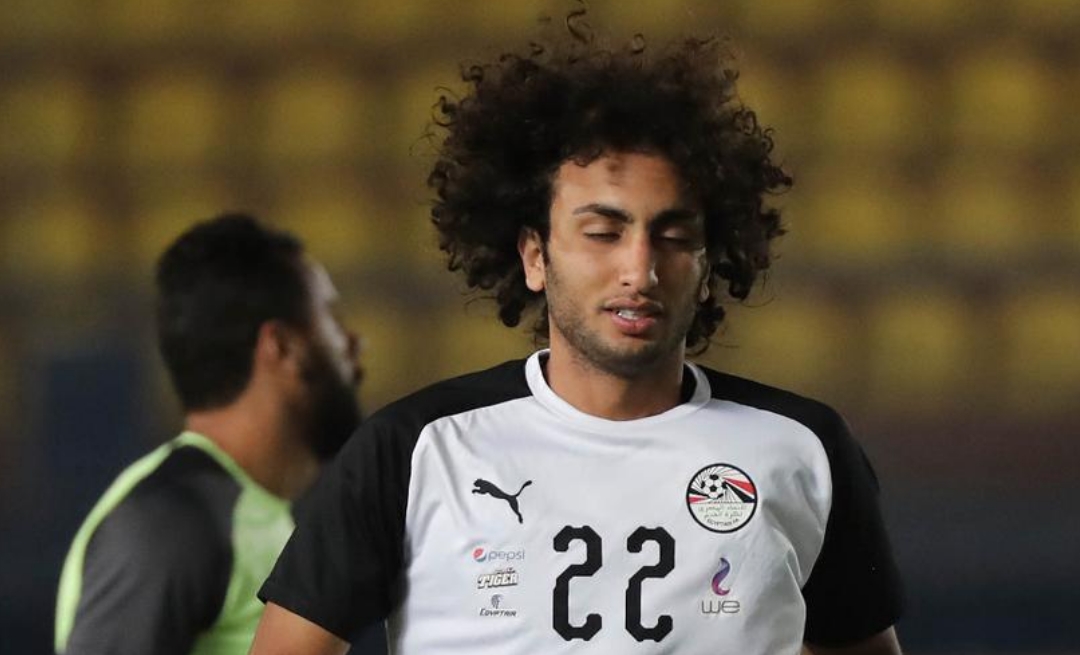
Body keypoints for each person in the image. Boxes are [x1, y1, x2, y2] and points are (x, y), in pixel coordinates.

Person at [251, 13, 904, 655]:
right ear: (535, 256)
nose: (640, 270)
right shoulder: (417, 449)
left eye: (674, 237)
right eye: (602, 233)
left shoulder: (803, 448)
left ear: (708, 265)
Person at [54, 214, 365, 655]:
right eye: (330, 318)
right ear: (281, 347)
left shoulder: (256, 516)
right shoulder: (169, 524)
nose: (353, 342)